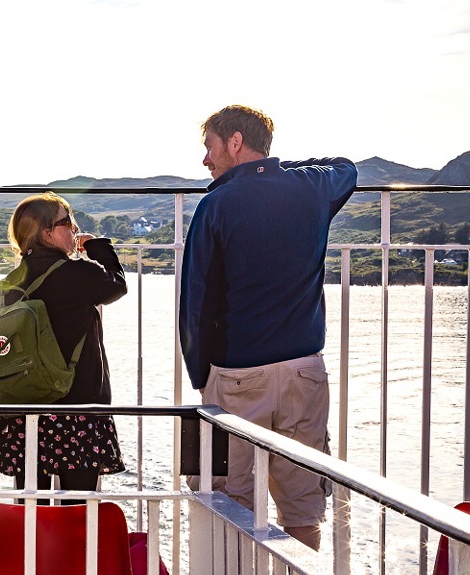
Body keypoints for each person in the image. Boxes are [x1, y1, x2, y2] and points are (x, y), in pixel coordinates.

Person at [179, 105, 357, 549]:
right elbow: (346, 169)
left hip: (237, 377)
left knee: (228, 502)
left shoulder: (215, 204)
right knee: (303, 507)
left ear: (234, 142)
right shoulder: (311, 188)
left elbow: (195, 305)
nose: (206, 161)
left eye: (210, 147)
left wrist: (203, 378)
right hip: (304, 372)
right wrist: (272, 169)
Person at [0, 191, 128, 504]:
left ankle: (32, 554)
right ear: (47, 233)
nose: (74, 228)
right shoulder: (77, 274)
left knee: (31, 508)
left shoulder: (6, 287)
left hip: (26, 413)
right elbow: (117, 284)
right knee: (77, 512)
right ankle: (74, 555)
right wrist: (96, 247)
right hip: (76, 410)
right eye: (68, 222)